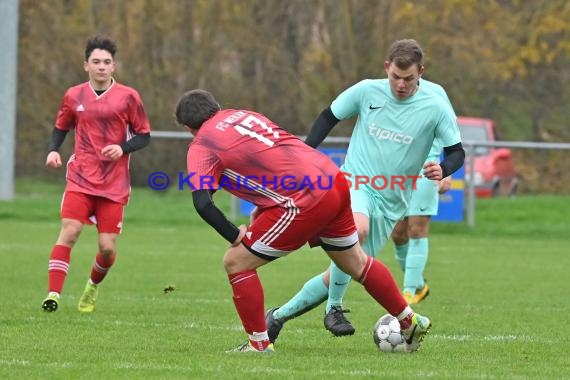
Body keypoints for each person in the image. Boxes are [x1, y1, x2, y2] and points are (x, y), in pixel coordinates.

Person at [175, 89, 432, 353]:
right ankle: (410, 320)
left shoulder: (201, 145)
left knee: (235, 261)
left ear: (187, 127)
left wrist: (233, 235)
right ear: (216, 107)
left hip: (302, 200)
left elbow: (203, 203)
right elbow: (276, 160)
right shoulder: (244, 115)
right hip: (333, 179)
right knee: (357, 262)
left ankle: (259, 345)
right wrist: (264, 206)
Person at [265, 39, 465, 341]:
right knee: (356, 230)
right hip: (354, 183)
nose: (400, 84)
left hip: (393, 199)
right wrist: (304, 158)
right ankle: (334, 306)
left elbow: (456, 152)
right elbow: (327, 117)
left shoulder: (435, 107)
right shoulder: (366, 91)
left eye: (408, 78)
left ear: (421, 72)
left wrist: (444, 169)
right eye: (395, 76)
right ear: (387, 67)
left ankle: (277, 318)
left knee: (342, 270)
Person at [41, 34, 151, 313]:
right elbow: (61, 127)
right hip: (80, 177)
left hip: (114, 183)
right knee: (70, 230)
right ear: (86, 65)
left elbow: (144, 136)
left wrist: (122, 148)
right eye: (96, 62)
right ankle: (53, 294)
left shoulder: (129, 96)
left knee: (107, 248)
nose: (101, 66)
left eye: (107, 62)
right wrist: (54, 150)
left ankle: (91, 287)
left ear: (114, 67)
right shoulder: (73, 95)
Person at [392, 171, 452, 305]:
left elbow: (454, 150)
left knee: (416, 230)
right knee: (398, 235)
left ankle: (408, 292)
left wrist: (447, 173)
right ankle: (419, 285)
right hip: (400, 171)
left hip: (427, 172)